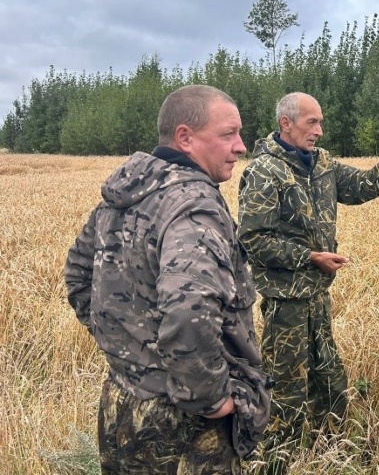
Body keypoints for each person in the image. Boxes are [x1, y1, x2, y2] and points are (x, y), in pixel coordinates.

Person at [64, 84, 272, 474]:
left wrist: (132, 350)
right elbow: (188, 311)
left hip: (121, 402)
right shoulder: (195, 205)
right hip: (184, 421)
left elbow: (78, 275)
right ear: (185, 138)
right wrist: (210, 398)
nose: (241, 146)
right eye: (228, 134)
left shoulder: (126, 194)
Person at [238, 92, 379, 470]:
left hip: (318, 296)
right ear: (286, 123)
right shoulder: (263, 171)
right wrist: (309, 257)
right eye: (312, 122)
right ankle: (278, 463)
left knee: (328, 379)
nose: (320, 131)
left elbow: (357, 186)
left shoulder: (321, 164)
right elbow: (253, 240)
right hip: (285, 303)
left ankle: (332, 457)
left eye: (321, 122)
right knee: (286, 392)